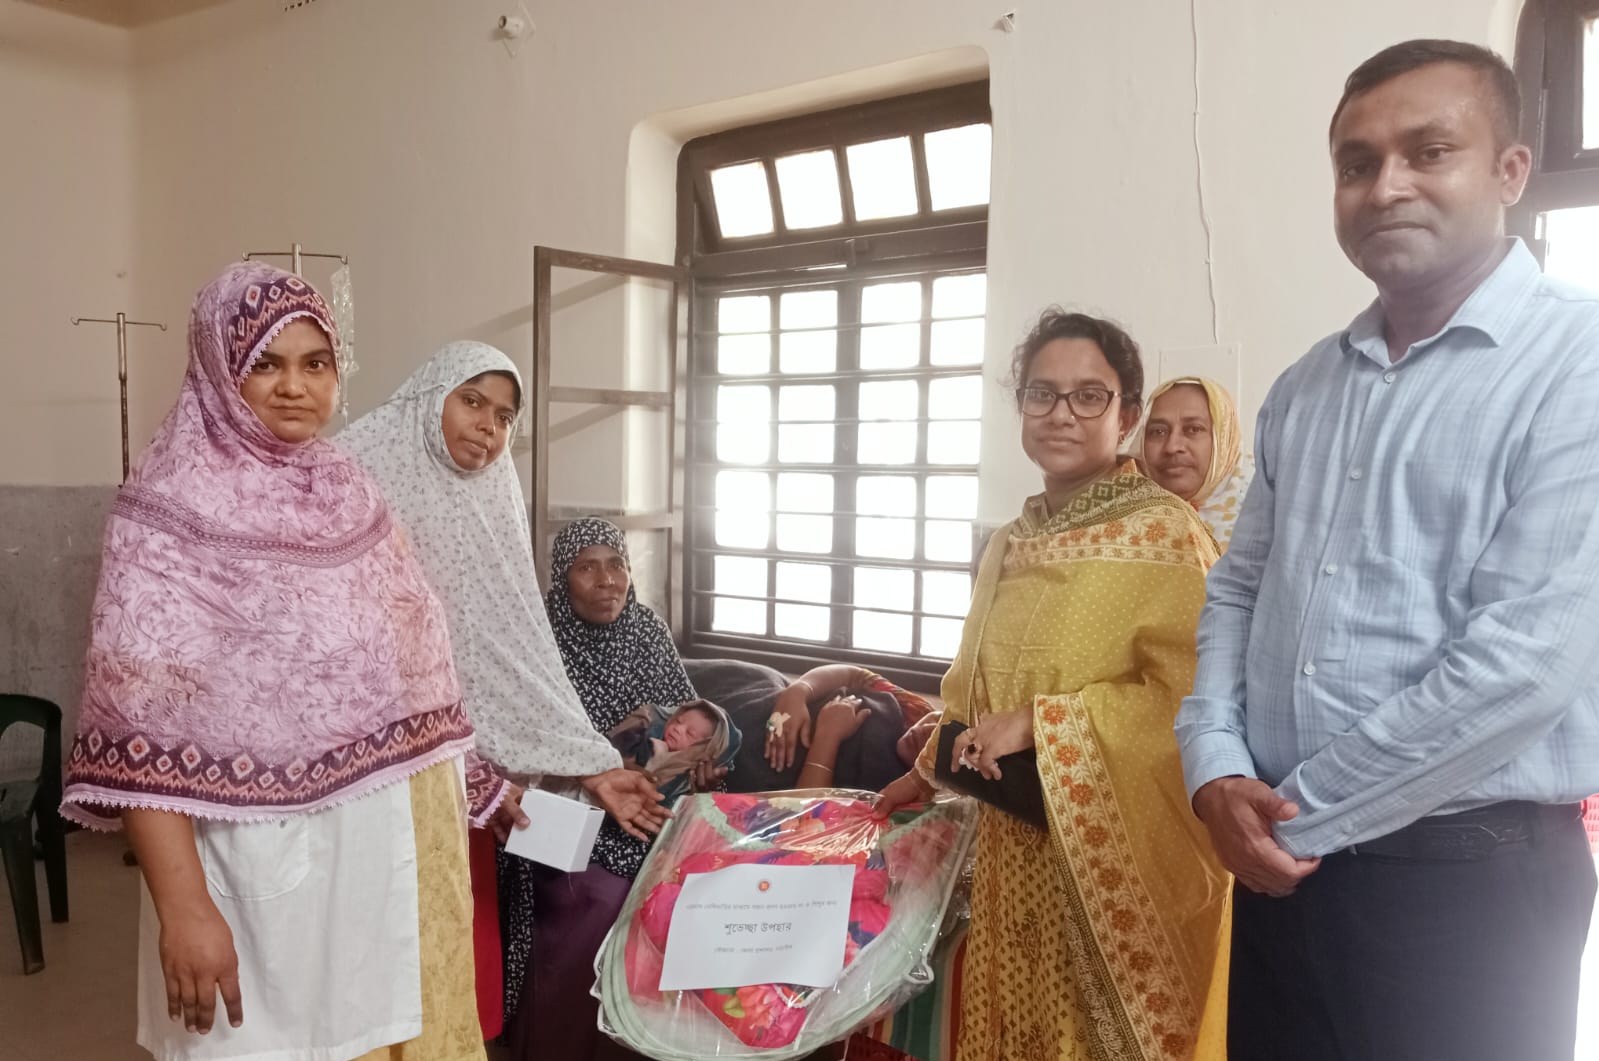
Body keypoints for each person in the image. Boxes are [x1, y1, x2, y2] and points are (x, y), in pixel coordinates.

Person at [1175, 40, 1599, 1061]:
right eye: (1356, 164)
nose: (1385, 186)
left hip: (1466, 878)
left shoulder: (1576, 362)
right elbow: (1238, 588)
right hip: (1281, 868)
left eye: (1429, 151)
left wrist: (1293, 815)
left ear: (1510, 170)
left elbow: (1524, 665)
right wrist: (1214, 765)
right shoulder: (1305, 386)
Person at [60, 262, 509, 1061]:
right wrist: (185, 908)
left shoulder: (349, 490)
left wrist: (471, 779)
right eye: (265, 362)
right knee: (266, 1037)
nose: (295, 386)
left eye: (315, 362)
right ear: (218, 366)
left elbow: (410, 664)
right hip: (253, 852)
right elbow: (137, 732)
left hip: (383, 843)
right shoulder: (167, 509)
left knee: (379, 1027)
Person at [878, 309, 1230, 1061]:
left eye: (1088, 396)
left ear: (1125, 416)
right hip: (1012, 847)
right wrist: (925, 769)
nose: (1061, 413)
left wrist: (1046, 722)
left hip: (1111, 870)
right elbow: (970, 686)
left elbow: (1199, 701)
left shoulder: (1167, 534)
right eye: (1041, 393)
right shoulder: (1012, 540)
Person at [336, 342, 666, 1039]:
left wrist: (591, 762)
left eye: (506, 416)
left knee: (449, 950)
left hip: (459, 777)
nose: (488, 426)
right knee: (364, 959)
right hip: (359, 770)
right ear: (431, 396)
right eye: (472, 401)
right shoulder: (350, 476)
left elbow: (511, 654)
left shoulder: (487, 501)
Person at [508, 517, 709, 1061]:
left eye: (617, 564)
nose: (607, 580)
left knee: (691, 884)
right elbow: (520, 742)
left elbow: (689, 718)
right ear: (562, 578)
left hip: (647, 800)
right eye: (587, 568)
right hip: (559, 810)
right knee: (602, 897)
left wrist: (699, 761)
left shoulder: (647, 630)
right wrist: (595, 770)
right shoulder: (537, 637)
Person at [1137, 376, 1254, 550]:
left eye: (1193, 429)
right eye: (1158, 431)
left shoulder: (1269, 519)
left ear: (1224, 440)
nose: (1172, 447)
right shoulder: (1119, 512)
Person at [607, 698, 739, 806]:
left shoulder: (685, 780)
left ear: (702, 749)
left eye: (690, 733)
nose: (678, 728)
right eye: (678, 721)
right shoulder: (650, 734)